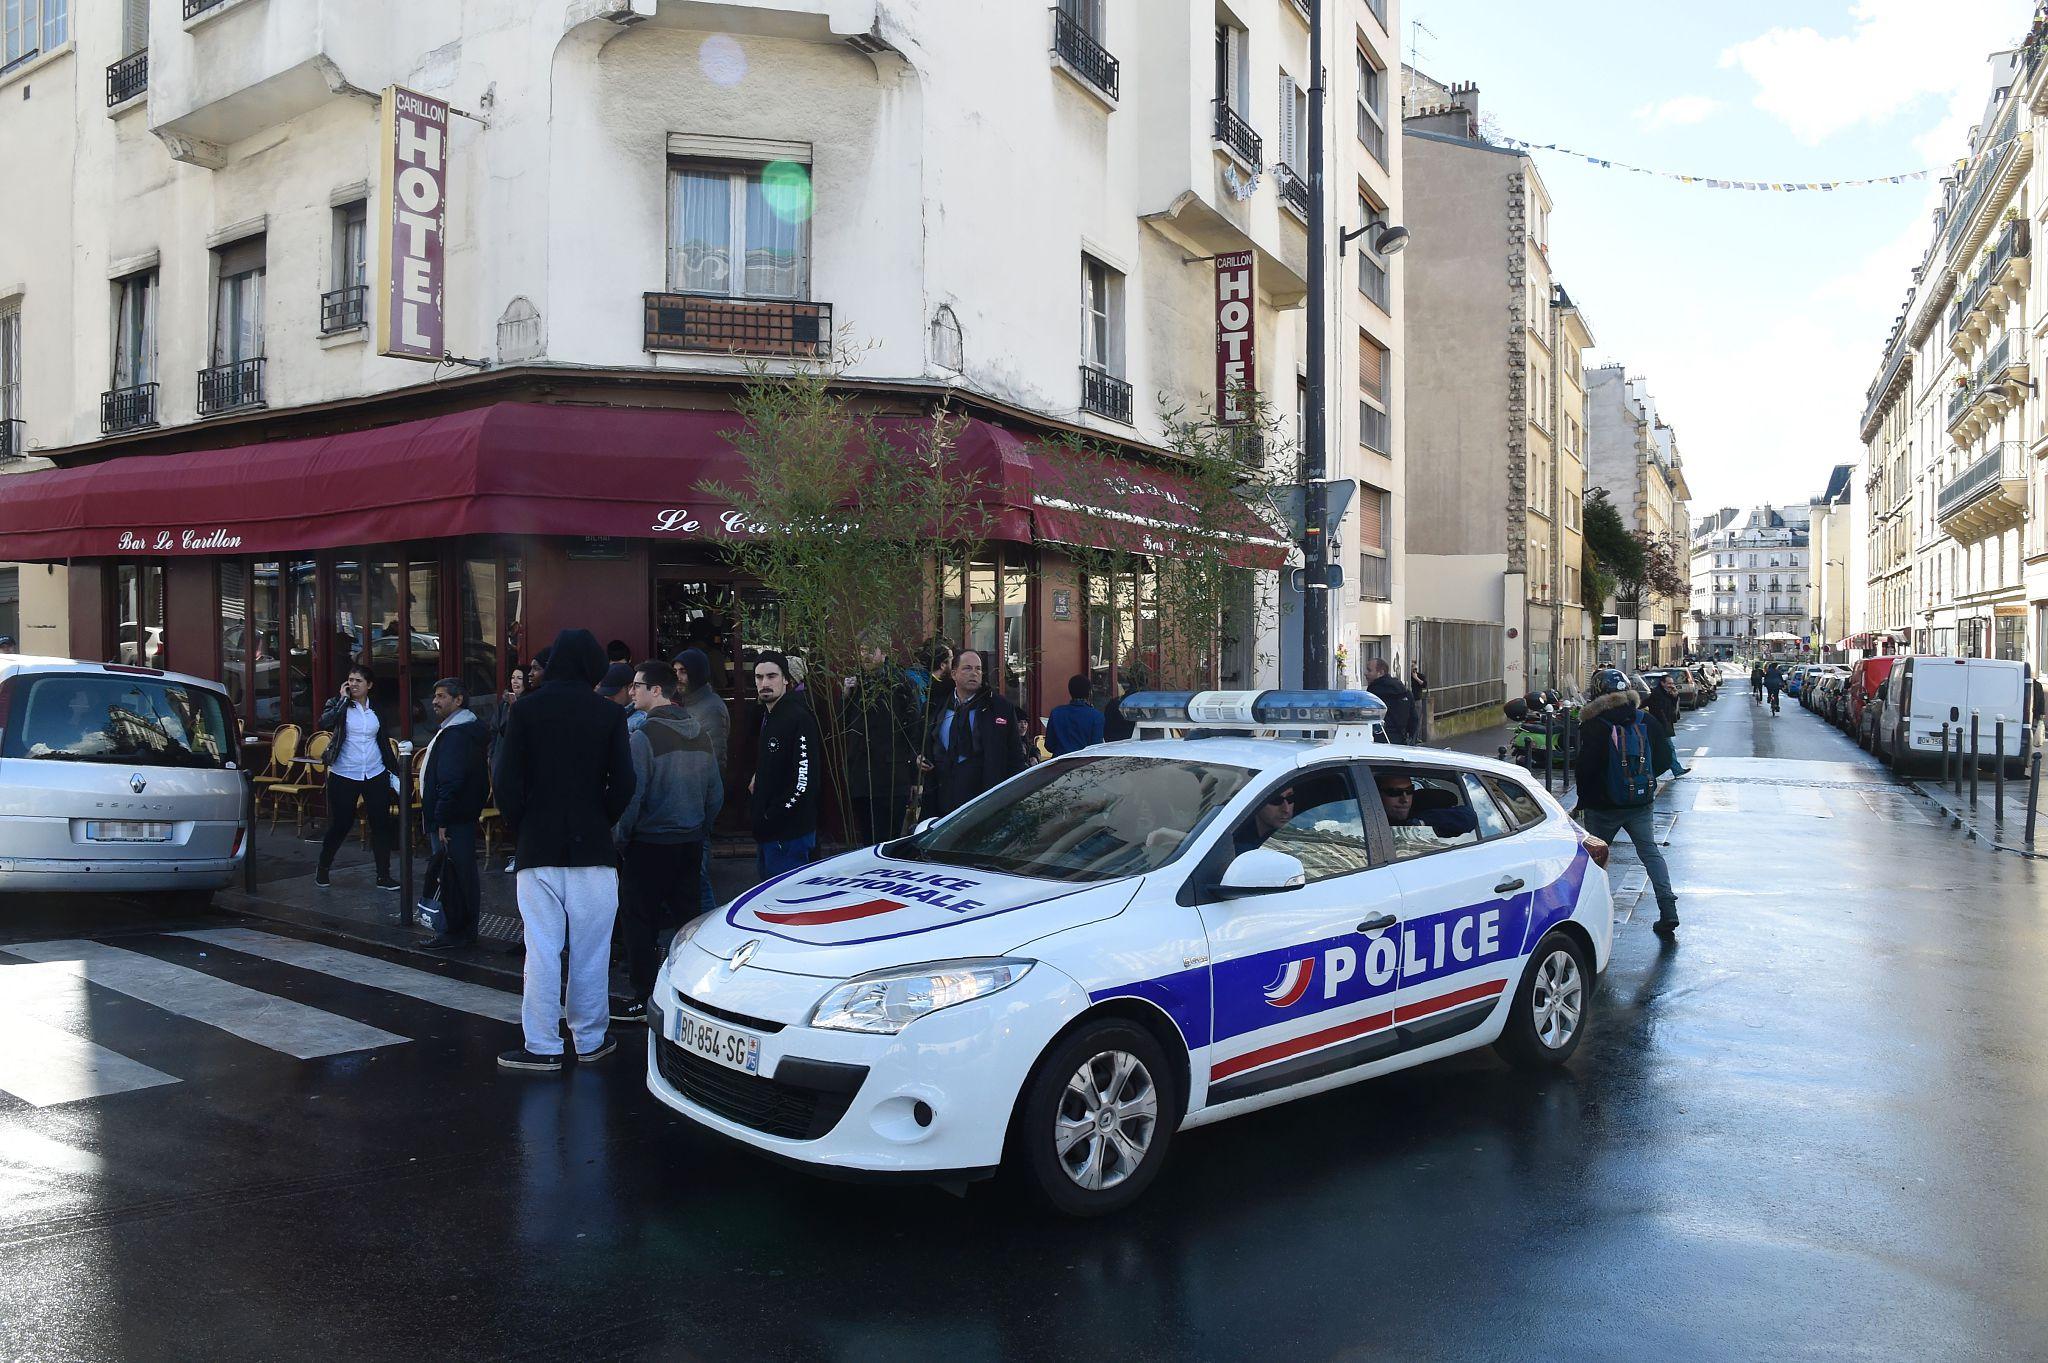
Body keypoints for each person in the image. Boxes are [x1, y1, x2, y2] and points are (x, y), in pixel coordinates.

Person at [492, 628, 636, 1073]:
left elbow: (505, 779)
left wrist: (524, 823)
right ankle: (590, 1039)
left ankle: (542, 1045)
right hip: (592, 848)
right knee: (592, 951)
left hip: (539, 846)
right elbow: (624, 782)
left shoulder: (526, 710)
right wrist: (600, 818)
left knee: (542, 949)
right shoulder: (609, 714)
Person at [612, 662, 721, 1024]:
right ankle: (687, 993)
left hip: (649, 844)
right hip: (689, 841)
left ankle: (645, 997)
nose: (632, 692)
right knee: (687, 922)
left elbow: (632, 796)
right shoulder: (700, 734)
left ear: (656, 691)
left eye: (638, 685)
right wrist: (700, 828)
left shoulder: (642, 738)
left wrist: (621, 837)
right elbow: (715, 794)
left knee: (639, 923)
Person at [1574, 668, 1679, 937]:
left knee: (1593, 861)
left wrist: (1585, 800)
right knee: (1650, 853)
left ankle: (1588, 917)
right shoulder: (1645, 719)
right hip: (1640, 803)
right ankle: (1668, 909)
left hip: (1603, 806)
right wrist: (1642, 780)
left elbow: (1585, 768)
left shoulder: (1594, 724)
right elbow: (1665, 758)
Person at [314, 664, 400, 893]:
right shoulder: (338, 704)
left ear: (369, 685)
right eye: (350, 680)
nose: (353, 684)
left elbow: (383, 738)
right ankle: (323, 866)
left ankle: (383, 875)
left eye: (358, 681)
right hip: (345, 772)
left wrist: (393, 769)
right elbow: (324, 723)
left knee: (380, 824)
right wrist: (343, 701)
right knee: (341, 824)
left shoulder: (376, 708)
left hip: (374, 771)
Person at [418, 678, 488, 950]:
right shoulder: (457, 730)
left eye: (441, 696)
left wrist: (442, 819)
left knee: (453, 876)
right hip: (457, 816)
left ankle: (454, 931)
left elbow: (450, 780)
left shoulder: (457, 734)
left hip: (453, 819)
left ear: (458, 700)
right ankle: (461, 929)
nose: (435, 701)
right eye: (435, 696)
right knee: (458, 874)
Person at [919, 649, 1029, 818]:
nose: (974, 673)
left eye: (978, 669)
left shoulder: (999, 707)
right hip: (940, 795)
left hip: (984, 799)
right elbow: (921, 742)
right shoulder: (936, 705)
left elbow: (1015, 756)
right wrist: (919, 758)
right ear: (954, 674)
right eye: (967, 668)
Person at [749, 651, 824, 880]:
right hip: (770, 833)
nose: (764, 683)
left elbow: (804, 780)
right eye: (759, 677)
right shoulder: (770, 715)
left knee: (787, 898)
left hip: (790, 835)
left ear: (786, 680)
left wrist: (774, 814)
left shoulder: (797, 717)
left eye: (771, 676)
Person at [844, 638, 919, 846]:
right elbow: (844, 726)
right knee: (866, 839)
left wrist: (914, 777)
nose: (865, 655)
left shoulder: (901, 683)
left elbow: (914, 730)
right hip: (860, 776)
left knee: (888, 840)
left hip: (891, 777)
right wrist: (846, 696)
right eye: (862, 650)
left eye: (870, 650)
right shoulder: (857, 683)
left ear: (884, 653)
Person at [675, 647, 731, 912]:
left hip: (697, 801)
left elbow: (714, 761)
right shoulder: (687, 702)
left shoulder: (710, 708)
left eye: (683, 671)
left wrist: (705, 804)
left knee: (698, 875)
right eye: (675, 671)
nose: (678, 677)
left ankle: (709, 923)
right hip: (686, 799)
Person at [1374, 770, 1479, 838]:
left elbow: (1468, 817)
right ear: (1377, 794)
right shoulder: (1367, 817)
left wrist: (1422, 822)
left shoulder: (1422, 807)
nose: (1405, 800)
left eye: (1409, 790)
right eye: (1394, 792)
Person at [1046, 675, 1106, 756]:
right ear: (1089, 693)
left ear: (1070, 691)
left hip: (1060, 761)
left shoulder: (1056, 712)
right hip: (1084, 762)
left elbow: (1049, 745)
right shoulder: (1097, 716)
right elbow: (1096, 748)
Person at [1363, 658, 1416, 744]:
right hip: (1400, 741)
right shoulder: (1405, 692)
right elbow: (1413, 720)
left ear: (1381, 673)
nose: (1365, 673)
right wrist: (1411, 739)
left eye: (1369, 670)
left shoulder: (1373, 695)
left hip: (1377, 741)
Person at [1408, 661, 1430, 741]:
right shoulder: (1407, 677)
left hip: (1417, 699)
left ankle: (1415, 737)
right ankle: (1409, 736)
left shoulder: (1420, 676)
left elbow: (1424, 685)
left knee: (1417, 719)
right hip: (1408, 700)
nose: (1414, 671)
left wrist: (1416, 678)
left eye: (1415, 669)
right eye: (1413, 669)